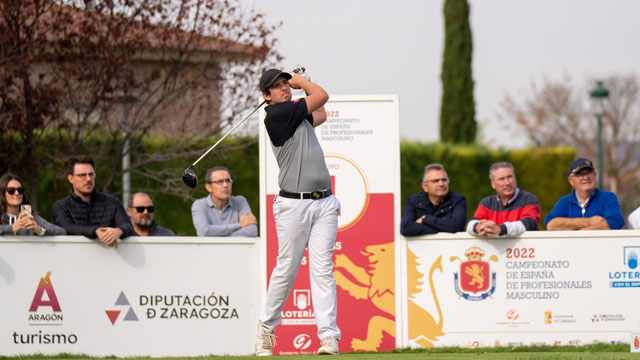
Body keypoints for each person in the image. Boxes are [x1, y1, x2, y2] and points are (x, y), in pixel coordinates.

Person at [255, 68, 340, 356]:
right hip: (293, 204)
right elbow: (322, 95)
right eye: (277, 87)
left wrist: (302, 87)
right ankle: (266, 329)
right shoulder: (277, 115)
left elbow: (323, 113)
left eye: (285, 84)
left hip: (324, 203)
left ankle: (329, 337)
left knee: (323, 270)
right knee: (286, 269)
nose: (284, 89)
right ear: (266, 97)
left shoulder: (295, 114)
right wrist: (302, 81)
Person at [52, 155, 133, 247]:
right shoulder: (60, 206)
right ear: (71, 178)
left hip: (109, 258)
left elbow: (128, 226)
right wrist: (95, 232)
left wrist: (119, 231)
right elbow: (67, 228)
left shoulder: (113, 203)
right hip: (73, 259)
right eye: (82, 175)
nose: (88, 179)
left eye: (91, 174)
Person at [545, 157, 624, 230]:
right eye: (580, 174)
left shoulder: (607, 197)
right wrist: (588, 221)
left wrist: (581, 231)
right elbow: (550, 225)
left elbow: (615, 222)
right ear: (571, 181)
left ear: (595, 175)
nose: (586, 177)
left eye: (589, 172)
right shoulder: (564, 202)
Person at [466, 161, 540, 237]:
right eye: (502, 179)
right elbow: (470, 224)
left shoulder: (529, 199)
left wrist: (500, 229)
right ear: (493, 184)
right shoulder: (487, 203)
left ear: (515, 179)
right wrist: (478, 227)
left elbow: (530, 224)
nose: (507, 183)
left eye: (510, 177)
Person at [400, 163, 466, 235]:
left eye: (444, 180)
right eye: (435, 181)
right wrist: (443, 229)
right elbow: (406, 228)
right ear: (425, 186)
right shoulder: (414, 200)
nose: (441, 184)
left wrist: (425, 219)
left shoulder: (458, 200)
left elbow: (456, 226)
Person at [191, 166, 257, 237]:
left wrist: (217, 235)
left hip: (235, 248)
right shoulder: (199, 205)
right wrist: (239, 225)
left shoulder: (240, 201)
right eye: (220, 181)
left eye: (228, 181)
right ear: (209, 187)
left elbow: (252, 231)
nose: (225, 185)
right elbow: (204, 231)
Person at [0, 173, 67, 236]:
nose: (17, 193)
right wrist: (11, 228)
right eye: (11, 190)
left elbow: (62, 231)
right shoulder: (1, 216)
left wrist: (39, 230)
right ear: (2, 193)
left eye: (20, 190)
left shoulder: (30, 217)